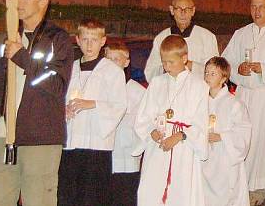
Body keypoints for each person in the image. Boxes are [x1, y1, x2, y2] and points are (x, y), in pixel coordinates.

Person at [0, 0, 74, 206]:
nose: (19, 2)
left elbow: (57, 84)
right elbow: (0, 95)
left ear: (43, 2)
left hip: (39, 139)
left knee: (38, 200)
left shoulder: (58, 39)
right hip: (4, 137)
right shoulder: (10, 38)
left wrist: (22, 58)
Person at [222, 0, 265, 206]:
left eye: (262, 7)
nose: (257, 10)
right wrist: (238, 68)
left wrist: (264, 69)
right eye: (253, 6)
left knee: (263, 141)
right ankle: (239, 186)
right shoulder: (240, 34)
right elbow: (227, 62)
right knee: (244, 137)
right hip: (245, 94)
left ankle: (259, 187)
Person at [133, 35, 209, 205]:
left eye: (171, 62)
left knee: (180, 193)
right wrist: (150, 131)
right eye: (164, 62)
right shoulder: (157, 83)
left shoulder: (198, 86)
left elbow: (201, 123)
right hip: (158, 147)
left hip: (184, 148)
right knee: (152, 191)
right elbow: (143, 116)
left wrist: (180, 135)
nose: (166, 67)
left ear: (184, 58)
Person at [58, 20, 127, 206]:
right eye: (85, 39)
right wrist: (63, 110)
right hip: (71, 141)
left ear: (103, 41)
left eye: (94, 40)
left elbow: (119, 105)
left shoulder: (113, 71)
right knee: (68, 195)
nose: (89, 45)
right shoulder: (69, 68)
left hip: (96, 143)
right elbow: (58, 96)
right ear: (77, 40)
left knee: (92, 197)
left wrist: (92, 104)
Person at [202, 57, 252, 206]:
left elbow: (243, 131)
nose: (207, 77)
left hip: (225, 157)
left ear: (224, 78)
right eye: (206, 73)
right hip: (205, 156)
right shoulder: (200, 101)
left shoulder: (234, 103)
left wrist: (222, 136)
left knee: (225, 196)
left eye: (213, 74)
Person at [106, 42, 146, 206]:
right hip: (103, 157)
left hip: (126, 158)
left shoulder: (138, 91)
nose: (112, 64)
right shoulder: (98, 88)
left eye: (116, 59)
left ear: (126, 62)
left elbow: (144, 125)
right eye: (108, 59)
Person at [144, 0, 218, 82]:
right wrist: (168, 65)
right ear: (172, 10)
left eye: (187, 9)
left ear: (193, 11)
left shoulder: (207, 37)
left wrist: (189, 65)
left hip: (196, 89)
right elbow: (150, 73)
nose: (183, 13)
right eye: (179, 9)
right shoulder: (161, 38)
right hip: (169, 88)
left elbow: (216, 71)